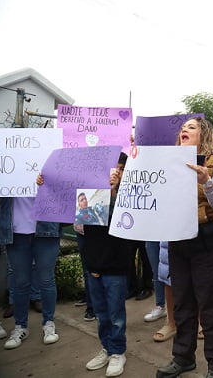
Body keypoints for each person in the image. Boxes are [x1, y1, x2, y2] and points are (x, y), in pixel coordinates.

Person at [156, 117, 213, 378]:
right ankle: (183, 358)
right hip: (179, 242)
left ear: (204, 134)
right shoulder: (169, 162)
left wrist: (206, 180)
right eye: (183, 127)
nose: (184, 130)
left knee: (210, 308)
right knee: (183, 305)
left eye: (191, 127)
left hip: (208, 244)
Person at [83, 152, 129, 377]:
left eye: (120, 168)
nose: (115, 172)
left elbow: (122, 220)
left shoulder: (127, 197)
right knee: (101, 312)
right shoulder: (89, 194)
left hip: (116, 263)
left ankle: (118, 351)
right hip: (94, 262)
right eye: (112, 168)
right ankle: (107, 348)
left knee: (116, 313)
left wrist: (115, 190)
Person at [0, 194, 61, 350]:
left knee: (46, 279)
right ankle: (20, 327)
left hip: (46, 228)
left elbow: (62, 187)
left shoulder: (48, 168)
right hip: (16, 231)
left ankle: (49, 323)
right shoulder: (5, 171)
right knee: (20, 282)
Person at [152, 241, 177, 343]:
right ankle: (172, 323)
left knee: (199, 280)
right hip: (166, 233)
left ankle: (201, 321)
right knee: (167, 275)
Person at [143, 241, 167, 323]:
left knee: (173, 273)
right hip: (152, 236)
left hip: (170, 236)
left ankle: (179, 309)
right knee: (157, 272)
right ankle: (160, 306)